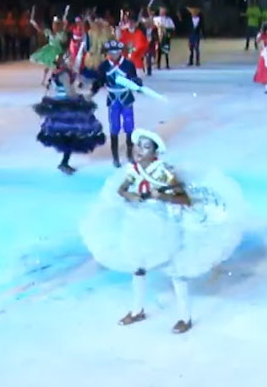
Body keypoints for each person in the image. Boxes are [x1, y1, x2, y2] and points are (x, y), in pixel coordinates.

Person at [79, 130, 244, 334]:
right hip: (138, 223)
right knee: (138, 267)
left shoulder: (163, 172)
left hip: (162, 225)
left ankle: (185, 317)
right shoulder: (134, 169)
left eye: (146, 147)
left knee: (175, 270)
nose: (140, 150)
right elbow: (121, 190)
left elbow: (184, 199)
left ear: (155, 152)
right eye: (139, 145)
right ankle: (137, 310)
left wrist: (159, 196)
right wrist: (131, 195)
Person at [34, 64, 107, 174]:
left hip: (61, 105)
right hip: (66, 107)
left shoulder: (59, 72)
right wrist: (84, 96)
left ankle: (64, 162)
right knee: (70, 134)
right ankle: (64, 163)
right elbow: (69, 93)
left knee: (68, 135)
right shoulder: (64, 74)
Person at [88, 39, 143, 167]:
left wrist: (137, 82)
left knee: (129, 126)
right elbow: (99, 81)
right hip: (113, 99)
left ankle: (129, 154)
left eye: (117, 52)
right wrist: (91, 93)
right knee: (114, 127)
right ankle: (115, 157)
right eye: (111, 52)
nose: (114, 55)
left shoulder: (128, 64)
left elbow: (133, 79)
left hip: (126, 98)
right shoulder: (104, 66)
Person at [28, 10, 69, 87]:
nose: (55, 27)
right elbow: (40, 30)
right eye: (54, 25)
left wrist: (65, 21)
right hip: (49, 50)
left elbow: (64, 37)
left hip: (57, 51)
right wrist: (34, 24)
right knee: (48, 66)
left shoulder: (61, 34)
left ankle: (52, 81)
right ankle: (44, 80)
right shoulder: (49, 32)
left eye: (56, 25)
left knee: (55, 67)